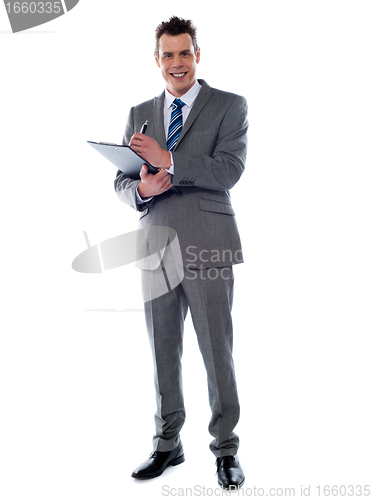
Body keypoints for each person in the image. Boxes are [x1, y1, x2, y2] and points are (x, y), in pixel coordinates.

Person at [114, 16, 248, 489]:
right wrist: (144, 189)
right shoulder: (139, 112)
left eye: (184, 53)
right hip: (155, 247)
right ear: (157, 59)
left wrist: (168, 158)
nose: (176, 63)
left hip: (208, 244)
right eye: (167, 54)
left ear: (197, 55)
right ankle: (168, 443)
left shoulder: (229, 106)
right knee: (162, 351)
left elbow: (228, 170)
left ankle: (226, 448)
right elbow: (122, 181)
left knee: (217, 351)